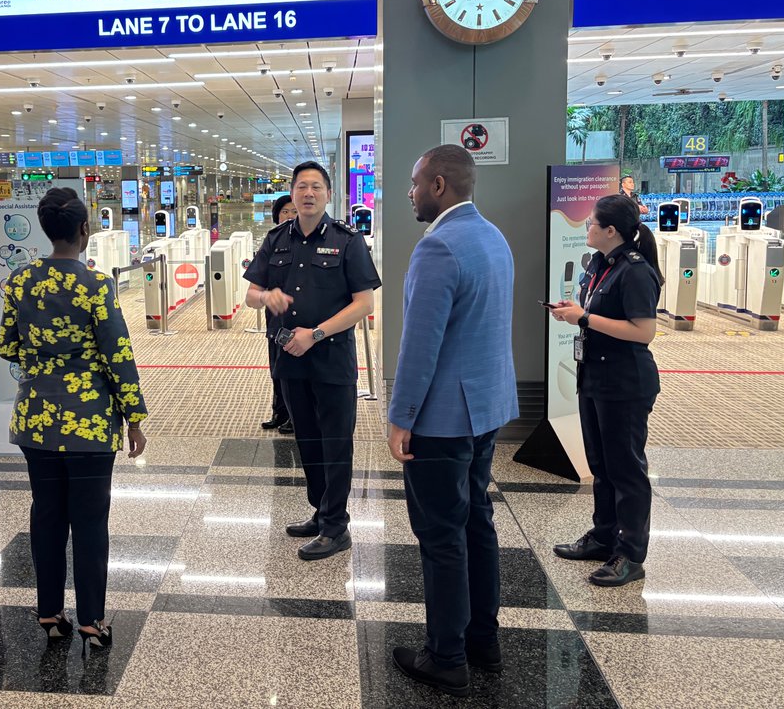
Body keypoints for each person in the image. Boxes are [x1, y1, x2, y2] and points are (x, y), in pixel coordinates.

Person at [385, 145, 518, 697]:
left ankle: (445, 657)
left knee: (441, 536)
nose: (410, 192)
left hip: (442, 419)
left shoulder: (438, 246)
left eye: (415, 183)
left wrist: (400, 418)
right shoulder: (493, 236)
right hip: (487, 409)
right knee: (475, 523)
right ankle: (482, 640)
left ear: (438, 185)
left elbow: (420, 347)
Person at [0, 187, 147, 653]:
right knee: (88, 522)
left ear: (46, 229)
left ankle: (49, 613)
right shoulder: (97, 285)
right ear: (84, 230)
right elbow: (118, 355)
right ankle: (92, 621)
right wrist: (135, 418)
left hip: (36, 419)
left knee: (46, 516)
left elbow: (7, 347)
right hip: (88, 423)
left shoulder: (19, 282)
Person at [243, 161, 381, 561]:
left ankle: (337, 527)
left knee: (335, 442)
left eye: (315, 187)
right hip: (289, 358)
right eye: (301, 186)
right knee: (307, 439)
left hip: (332, 359)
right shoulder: (276, 239)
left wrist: (316, 334)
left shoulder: (347, 241)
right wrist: (265, 297)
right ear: (291, 192)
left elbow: (363, 304)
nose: (308, 193)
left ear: (328, 194)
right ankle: (322, 513)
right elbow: (252, 292)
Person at [550, 193, 662, 588]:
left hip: (625, 383)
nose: (587, 227)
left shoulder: (635, 272)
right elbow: (594, 314)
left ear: (611, 230)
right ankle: (603, 537)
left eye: (593, 223)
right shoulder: (601, 264)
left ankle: (630, 554)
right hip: (594, 377)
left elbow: (643, 331)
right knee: (601, 466)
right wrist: (575, 312)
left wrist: (585, 317)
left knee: (626, 469)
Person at [259, 194, 299, 435]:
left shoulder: (306, 243)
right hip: (275, 318)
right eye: (285, 211)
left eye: (294, 212)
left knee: (291, 370)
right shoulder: (271, 242)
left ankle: (294, 416)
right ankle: (279, 412)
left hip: (296, 319)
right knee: (275, 367)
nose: (289, 216)